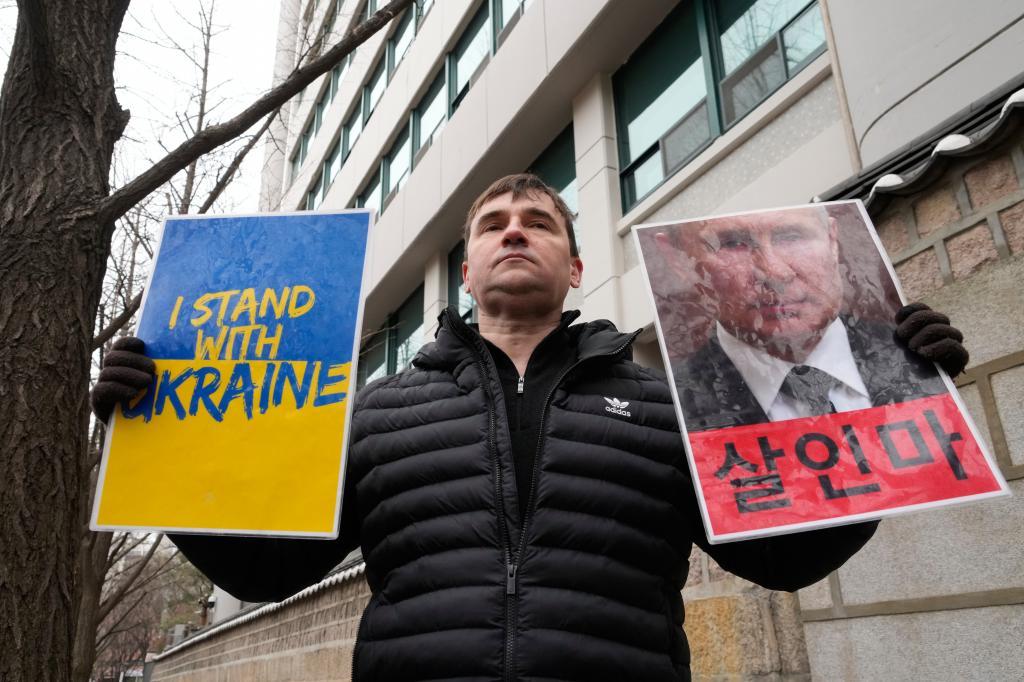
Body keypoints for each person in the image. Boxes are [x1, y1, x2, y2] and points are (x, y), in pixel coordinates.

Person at [92, 175, 967, 681]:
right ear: (466, 269)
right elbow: (263, 569)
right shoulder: (373, 411)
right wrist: (162, 442)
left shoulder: (675, 404)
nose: (516, 231)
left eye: (540, 223)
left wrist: (892, 402)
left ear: (575, 264)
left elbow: (780, 560)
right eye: (494, 226)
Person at [653, 205, 965, 433]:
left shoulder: (902, 358)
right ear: (679, 260)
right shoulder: (670, 411)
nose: (775, 273)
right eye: (733, 243)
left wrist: (932, 393)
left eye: (791, 236)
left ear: (832, 239)